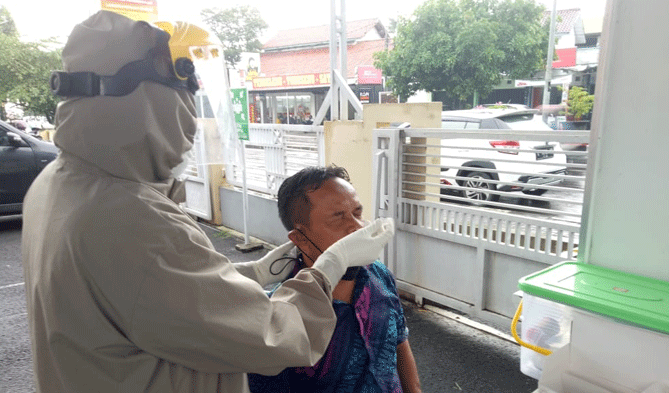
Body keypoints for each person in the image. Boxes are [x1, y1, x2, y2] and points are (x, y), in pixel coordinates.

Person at [21, 11, 394, 393]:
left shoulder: (58, 183)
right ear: (148, 100)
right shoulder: (131, 219)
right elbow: (275, 336)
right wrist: (330, 266)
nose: (190, 112)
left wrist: (258, 273)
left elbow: (168, 296)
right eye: (184, 89)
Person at [248, 166, 422, 393]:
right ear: (301, 238)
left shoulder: (379, 275)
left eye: (358, 213)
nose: (358, 227)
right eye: (337, 218)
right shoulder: (279, 314)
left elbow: (399, 343)